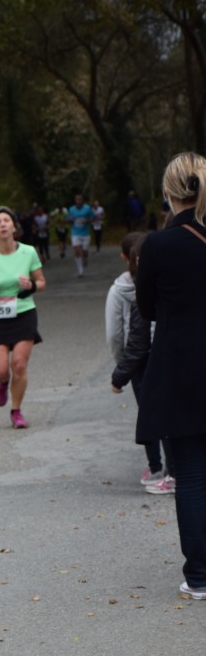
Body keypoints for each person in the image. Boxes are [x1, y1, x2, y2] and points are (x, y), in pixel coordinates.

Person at [135, 151, 206, 599]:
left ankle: (199, 576)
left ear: (167, 192)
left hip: (181, 367)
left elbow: (146, 309)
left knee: (192, 473)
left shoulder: (158, 245)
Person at [0, 205, 45, 429]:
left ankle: (16, 411)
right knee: (1, 370)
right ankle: (2, 383)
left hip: (24, 312)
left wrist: (31, 285)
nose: (2, 225)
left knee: (19, 365)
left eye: (6, 221)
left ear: (14, 226)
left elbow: (41, 282)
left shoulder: (28, 252)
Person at [107, 233, 171, 489]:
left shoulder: (128, 293)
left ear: (127, 258)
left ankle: (159, 469)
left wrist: (121, 369)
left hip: (140, 362)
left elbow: (117, 335)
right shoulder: (171, 283)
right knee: (172, 414)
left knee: (151, 414)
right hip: (170, 355)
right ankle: (174, 470)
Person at [66, 194, 94, 277]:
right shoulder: (72, 209)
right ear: (75, 201)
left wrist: (87, 221)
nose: (79, 201)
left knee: (84, 252)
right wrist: (69, 220)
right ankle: (80, 271)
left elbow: (93, 218)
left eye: (80, 199)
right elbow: (68, 219)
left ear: (83, 200)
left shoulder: (87, 208)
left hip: (85, 233)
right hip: (75, 233)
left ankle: (85, 257)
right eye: (77, 199)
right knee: (76, 251)